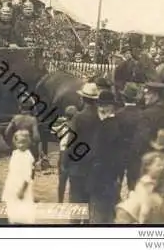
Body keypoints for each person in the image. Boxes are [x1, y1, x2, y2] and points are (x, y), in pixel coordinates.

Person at [129, 82, 164, 190]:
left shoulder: (146, 115)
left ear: (156, 96)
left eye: (148, 94)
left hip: (147, 164)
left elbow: (139, 142)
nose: (145, 96)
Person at [88, 91, 125, 224]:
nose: (100, 109)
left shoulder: (105, 126)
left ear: (109, 108)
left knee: (99, 214)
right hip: (112, 177)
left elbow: (97, 153)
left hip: (100, 178)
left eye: (102, 106)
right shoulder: (118, 124)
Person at [67, 83, 100, 222]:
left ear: (82, 99)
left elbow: (71, 143)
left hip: (77, 166)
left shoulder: (78, 118)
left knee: (76, 202)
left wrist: (65, 163)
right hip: (93, 167)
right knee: (88, 203)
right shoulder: (100, 118)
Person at [115, 152, 164, 224]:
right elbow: (145, 206)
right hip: (129, 213)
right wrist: (141, 222)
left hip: (125, 210)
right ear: (148, 167)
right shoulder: (148, 183)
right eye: (158, 165)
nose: (161, 168)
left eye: (162, 166)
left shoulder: (143, 180)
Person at [2, 129, 37, 225]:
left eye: (24, 142)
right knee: (12, 207)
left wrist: (23, 190)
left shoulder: (27, 156)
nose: (21, 145)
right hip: (13, 183)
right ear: (15, 142)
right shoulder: (15, 153)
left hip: (22, 185)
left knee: (23, 208)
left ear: (28, 143)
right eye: (19, 142)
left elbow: (27, 175)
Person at [116, 82, 144, 191]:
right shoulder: (142, 114)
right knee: (133, 182)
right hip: (135, 152)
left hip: (120, 151)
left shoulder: (118, 114)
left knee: (118, 179)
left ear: (123, 98)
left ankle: (116, 202)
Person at [50, 105, 78, 203]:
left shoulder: (63, 124)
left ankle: (60, 201)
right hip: (74, 153)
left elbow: (53, 131)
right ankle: (71, 201)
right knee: (73, 180)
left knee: (62, 179)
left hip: (63, 152)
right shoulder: (77, 125)